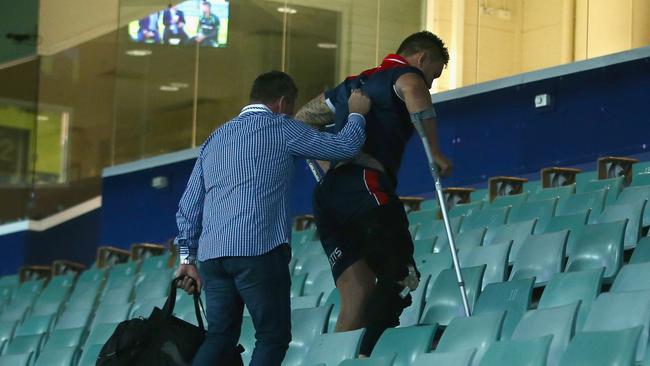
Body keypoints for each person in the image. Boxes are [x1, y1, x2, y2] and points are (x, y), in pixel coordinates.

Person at [173, 71, 372, 366]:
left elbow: (188, 207)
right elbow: (343, 147)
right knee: (272, 337)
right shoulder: (281, 128)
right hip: (258, 250)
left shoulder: (215, 138)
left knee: (219, 337)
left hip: (212, 256)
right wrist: (357, 115)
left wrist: (187, 259)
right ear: (282, 102)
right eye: (291, 108)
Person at [294, 31, 453, 356]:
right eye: (433, 75)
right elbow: (413, 88)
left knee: (358, 291)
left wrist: (330, 162)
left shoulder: (352, 84)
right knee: (400, 272)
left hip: (328, 196)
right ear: (422, 59)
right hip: (366, 185)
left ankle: (333, 361)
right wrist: (434, 152)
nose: (431, 85)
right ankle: (366, 355)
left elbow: (301, 120)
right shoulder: (404, 75)